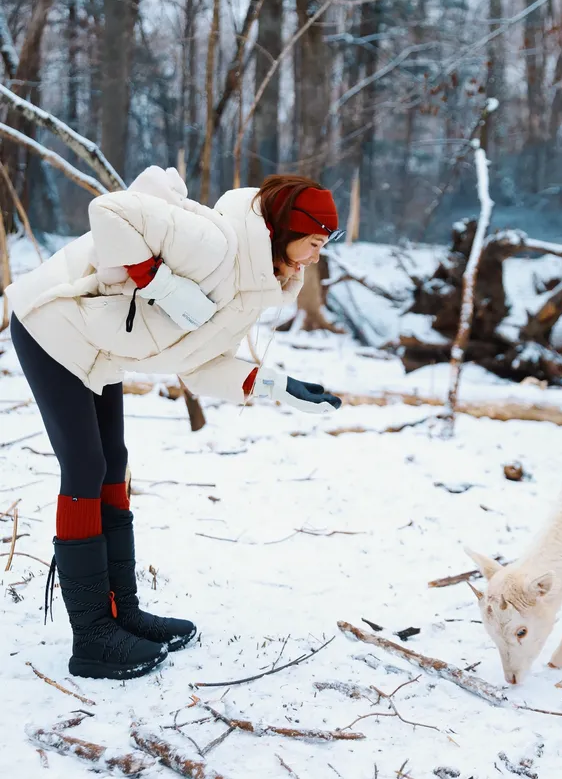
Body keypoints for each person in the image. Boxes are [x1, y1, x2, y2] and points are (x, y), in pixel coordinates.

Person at [6, 166, 343, 681]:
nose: (318, 256)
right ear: (286, 230)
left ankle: (122, 613)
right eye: (315, 243)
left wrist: (280, 386)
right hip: (50, 324)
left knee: (113, 462)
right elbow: (109, 210)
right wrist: (159, 283)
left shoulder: (253, 284)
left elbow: (202, 366)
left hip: (97, 343)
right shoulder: (215, 243)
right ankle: (91, 636)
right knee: (85, 465)